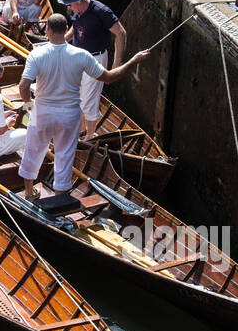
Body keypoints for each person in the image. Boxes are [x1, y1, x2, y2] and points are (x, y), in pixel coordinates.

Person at [17, 14, 149, 198]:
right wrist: (133, 61)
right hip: (69, 115)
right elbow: (109, 77)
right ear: (66, 31)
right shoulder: (81, 55)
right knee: (64, 156)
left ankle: (30, 193)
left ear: (47, 30)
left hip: (42, 111)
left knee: (33, 151)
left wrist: (28, 105)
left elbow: (23, 86)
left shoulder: (36, 54)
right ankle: (59, 198)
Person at [60, 0, 127, 143]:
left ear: (78, 1)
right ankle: (81, 129)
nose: (68, 8)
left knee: (89, 98)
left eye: (69, 4)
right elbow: (74, 29)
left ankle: (90, 135)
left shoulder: (101, 11)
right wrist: (61, 41)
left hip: (95, 59)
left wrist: (116, 63)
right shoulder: (76, 11)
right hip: (77, 56)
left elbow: (121, 33)